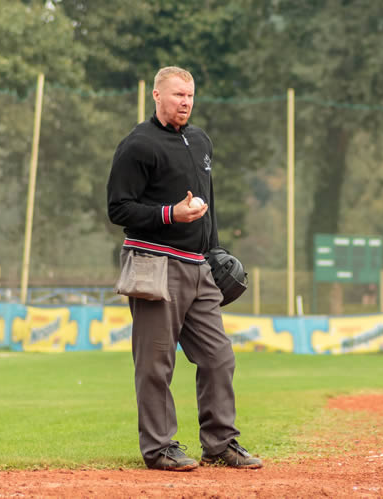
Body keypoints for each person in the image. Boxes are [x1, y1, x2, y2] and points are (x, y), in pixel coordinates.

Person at [107, 66, 262, 471]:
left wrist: (215, 250)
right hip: (155, 264)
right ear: (157, 96)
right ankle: (159, 448)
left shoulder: (200, 140)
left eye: (190, 96)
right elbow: (118, 208)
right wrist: (170, 213)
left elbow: (209, 204)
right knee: (157, 363)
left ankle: (220, 443)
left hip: (198, 267)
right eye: (177, 95)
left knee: (218, 357)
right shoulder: (138, 145)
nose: (185, 102)